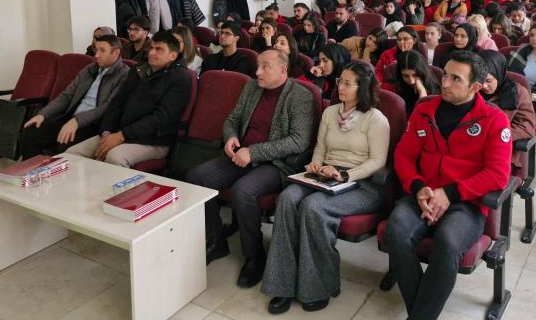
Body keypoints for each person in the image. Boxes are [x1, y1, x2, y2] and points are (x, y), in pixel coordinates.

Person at [385, 51, 511, 320]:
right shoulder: (424, 109)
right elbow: (404, 155)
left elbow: (498, 174)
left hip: (466, 203)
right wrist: (418, 187)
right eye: (445, 75)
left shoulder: (494, 119)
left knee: (448, 239)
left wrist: (450, 193)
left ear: (475, 87)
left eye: (456, 79)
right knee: (396, 229)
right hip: (424, 194)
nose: (444, 83)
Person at [261, 62, 390, 314]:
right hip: (326, 175)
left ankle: (318, 287)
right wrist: (316, 165)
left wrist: (345, 175)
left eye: (348, 83)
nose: (340, 87)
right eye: (340, 81)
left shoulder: (376, 119)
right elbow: (320, 148)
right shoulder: (330, 112)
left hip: (361, 183)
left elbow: (377, 162)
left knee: (313, 207)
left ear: (363, 87)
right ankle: (282, 284)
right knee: (287, 198)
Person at [186, 49, 314, 287]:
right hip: (241, 154)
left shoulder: (300, 96)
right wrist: (231, 137)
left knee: (243, 191)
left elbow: (298, 141)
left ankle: (254, 255)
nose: (257, 72)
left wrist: (253, 152)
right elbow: (232, 119)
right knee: (197, 177)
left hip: (276, 163)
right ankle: (216, 240)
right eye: (257, 66)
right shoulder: (252, 87)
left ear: (282, 70)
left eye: (265, 67)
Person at [67, 31, 192, 166]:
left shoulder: (181, 78)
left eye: (159, 49)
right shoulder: (138, 70)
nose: (151, 53)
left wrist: (122, 136)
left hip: (152, 140)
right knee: (72, 153)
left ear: (173, 55)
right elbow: (117, 103)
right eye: (151, 48)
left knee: (114, 157)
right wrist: (106, 131)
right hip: (119, 133)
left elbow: (161, 119)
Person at [19, 35, 129, 160]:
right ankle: (35, 170)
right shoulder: (89, 69)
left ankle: (54, 171)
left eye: (102, 50)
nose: (96, 55)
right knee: (28, 136)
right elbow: (67, 95)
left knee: (63, 148)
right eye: (96, 50)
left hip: (94, 125)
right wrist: (43, 114)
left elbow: (106, 107)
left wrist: (77, 121)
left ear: (116, 53)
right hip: (71, 118)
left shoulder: (124, 75)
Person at [477, 50, 535, 167]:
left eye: (488, 81)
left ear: (499, 73)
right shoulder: (472, 90)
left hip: (500, 151)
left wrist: (495, 136)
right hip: (470, 147)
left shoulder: (517, 93)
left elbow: (526, 127)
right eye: (480, 80)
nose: (484, 86)